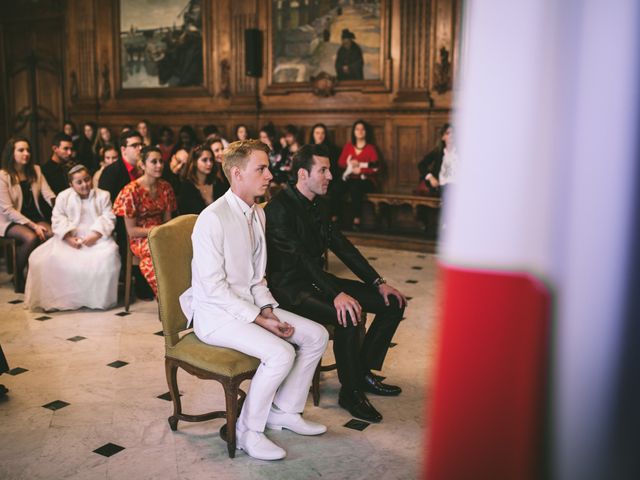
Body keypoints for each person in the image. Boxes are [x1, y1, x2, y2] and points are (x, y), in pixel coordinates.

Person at [179, 140, 329, 461]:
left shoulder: (258, 214)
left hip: (249, 307)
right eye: (261, 169)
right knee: (280, 353)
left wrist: (269, 310)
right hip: (215, 316)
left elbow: (257, 279)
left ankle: (285, 411)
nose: (269, 175)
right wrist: (260, 319)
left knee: (317, 335)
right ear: (237, 174)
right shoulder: (212, 219)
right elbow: (214, 288)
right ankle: (248, 432)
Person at [265, 144, 407, 423]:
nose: (330, 175)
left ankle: (362, 373)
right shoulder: (278, 209)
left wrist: (378, 282)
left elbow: (342, 245)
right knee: (349, 315)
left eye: (330, 169)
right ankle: (350, 392)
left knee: (392, 303)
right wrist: (337, 294)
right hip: (291, 290)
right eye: (324, 170)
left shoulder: (318, 202)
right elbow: (302, 259)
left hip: (318, 282)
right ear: (303, 174)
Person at [25, 165, 119, 311]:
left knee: (108, 254)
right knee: (44, 259)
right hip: (70, 236)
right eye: (79, 182)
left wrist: (95, 235)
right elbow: (57, 218)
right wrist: (68, 237)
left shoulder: (103, 195)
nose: (85, 185)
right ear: (71, 185)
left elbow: (108, 217)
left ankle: (96, 299)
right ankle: (64, 299)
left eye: (87, 180)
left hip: (97, 236)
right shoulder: (63, 196)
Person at [113, 145, 176, 297]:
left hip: (162, 233)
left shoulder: (165, 187)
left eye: (161, 161)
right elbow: (132, 230)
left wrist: (164, 233)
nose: (159, 165)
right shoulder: (131, 191)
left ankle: (180, 297)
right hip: (140, 237)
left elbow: (168, 221)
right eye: (154, 162)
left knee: (183, 249)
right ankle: (168, 298)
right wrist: (156, 231)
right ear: (142, 164)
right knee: (155, 253)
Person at [0, 137, 55, 292]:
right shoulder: (3, 176)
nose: (26, 153)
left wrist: (61, 207)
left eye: (28, 150)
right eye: (21, 150)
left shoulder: (36, 170)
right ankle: (17, 275)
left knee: (51, 233)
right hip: (8, 220)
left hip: (33, 216)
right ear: (12, 153)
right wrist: (34, 226)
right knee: (30, 238)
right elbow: (8, 210)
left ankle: (38, 274)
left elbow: (48, 194)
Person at [338, 120, 379, 230]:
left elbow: (376, 168)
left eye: (362, 129)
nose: (360, 131)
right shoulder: (348, 147)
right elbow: (341, 163)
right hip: (350, 178)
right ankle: (334, 218)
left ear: (366, 132)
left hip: (366, 180)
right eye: (357, 129)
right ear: (354, 132)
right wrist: (349, 163)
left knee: (355, 187)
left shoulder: (371, 148)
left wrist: (361, 170)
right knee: (336, 188)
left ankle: (357, 219)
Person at [417, 124, 456, 237]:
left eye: (453, 133)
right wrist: (430, 177)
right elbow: (421, 165)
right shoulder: (438, 152)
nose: (452, 136)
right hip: (441, 184)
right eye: (448, 133)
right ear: (443, 137)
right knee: (448, 190)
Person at [178, 143, 225, 215]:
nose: (209, 163)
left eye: (211, 160)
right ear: (194, 162)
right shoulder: (187, 186)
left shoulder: (217, 182)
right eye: (204, 160)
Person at [309, 123, 342, 222]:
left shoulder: (333, 150)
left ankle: (330, 220)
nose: (320, 136)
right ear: (313, 135)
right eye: (317, 133)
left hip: (329, 178)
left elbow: (335, 170)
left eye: (322, 133)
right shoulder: (308, 149)